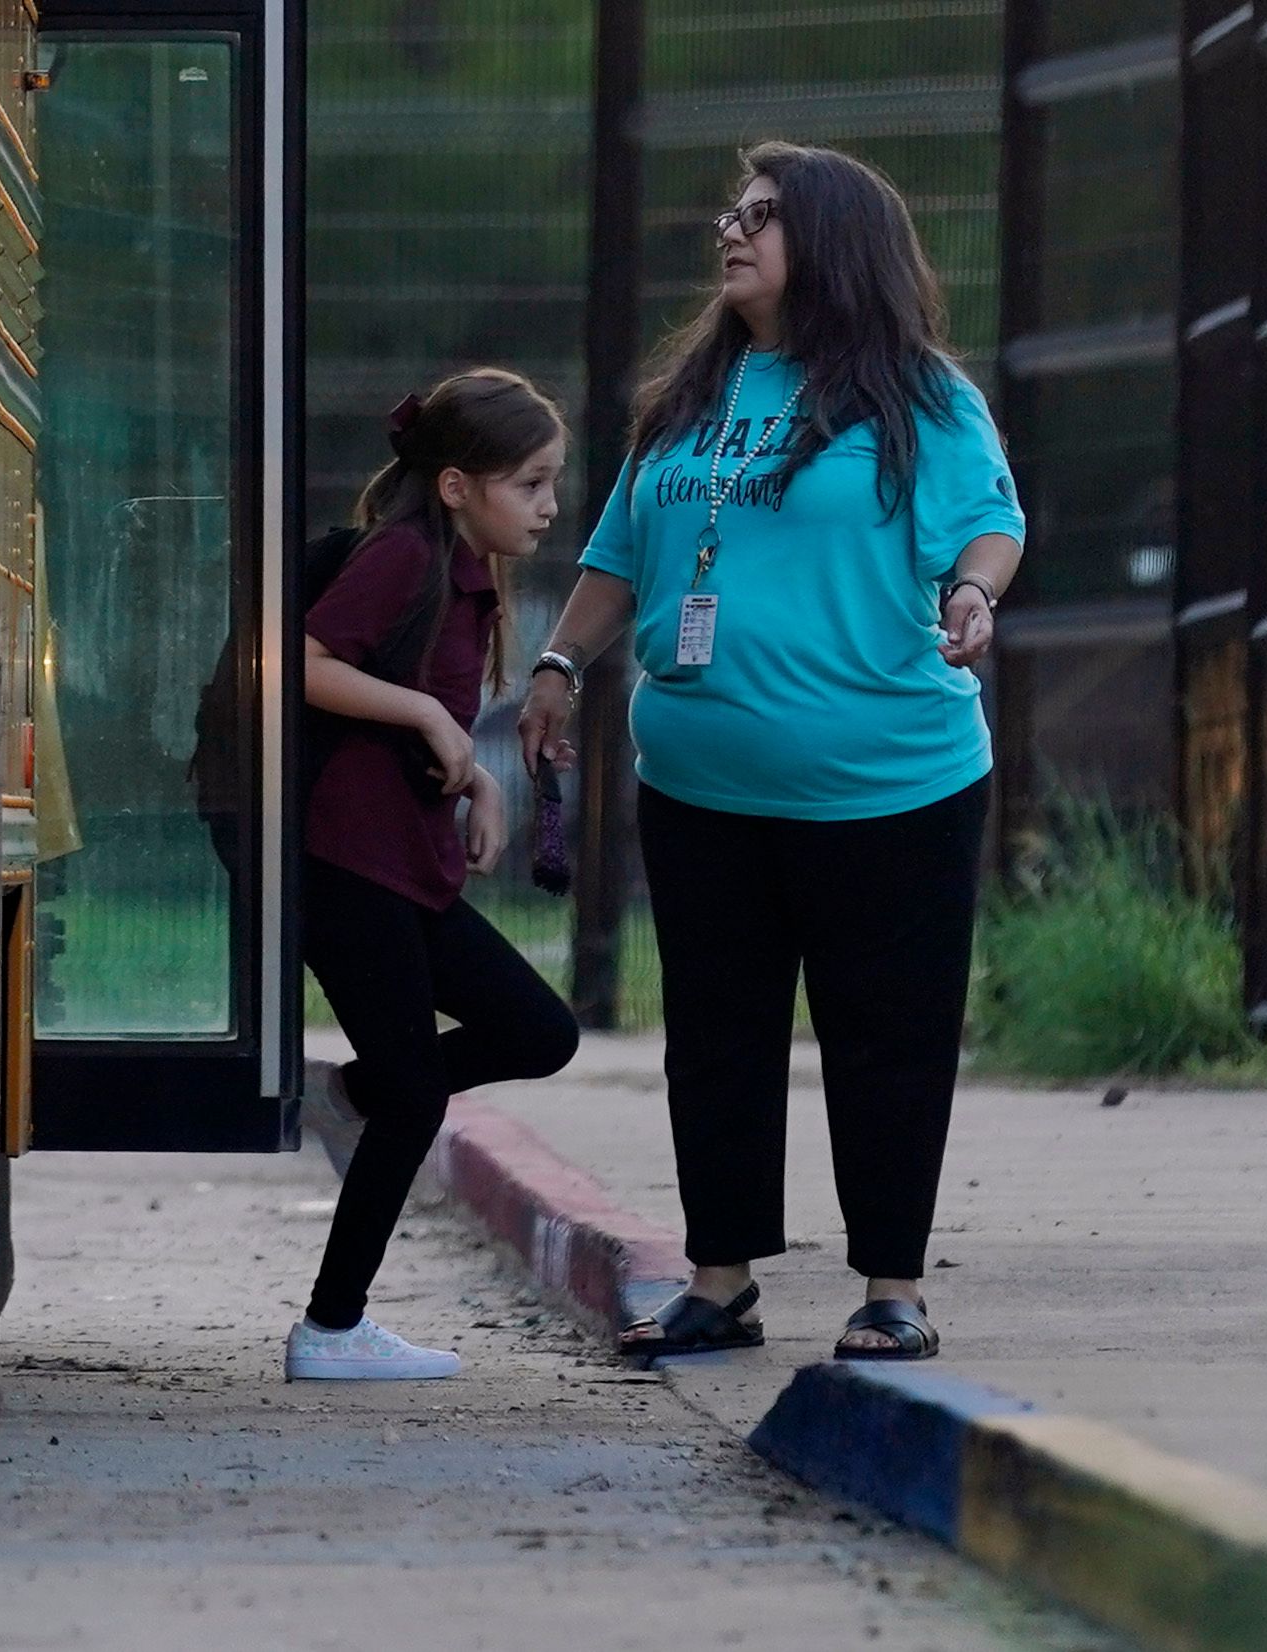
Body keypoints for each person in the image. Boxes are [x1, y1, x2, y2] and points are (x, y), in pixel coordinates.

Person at [517, 142, 1025, 1362]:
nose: (730, 234)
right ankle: (720, 1279)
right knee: (718, 1034)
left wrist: (971, 597)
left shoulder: (922, 395)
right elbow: (620, 557)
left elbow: (989, 524)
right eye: (728, 216)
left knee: (887, 1038)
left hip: (892, 788)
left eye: (761, 217)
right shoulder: (691, 398)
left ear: (834, 240)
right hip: (701, 791)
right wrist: (557, 665)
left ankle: (892, 1287)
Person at [286, 368, 582, 1382]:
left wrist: (479, 791)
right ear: (457, 484)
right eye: (531, 482)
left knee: (538, 1031)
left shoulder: (464, 573)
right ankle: (331, 1328)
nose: (548, 503)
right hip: (344, 858)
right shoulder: (404, 556)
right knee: (415, 1095)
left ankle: (349, 1095)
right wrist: (425, 716)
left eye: (552, 483)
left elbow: (427, 707)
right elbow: (302, 660)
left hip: (404, 861)